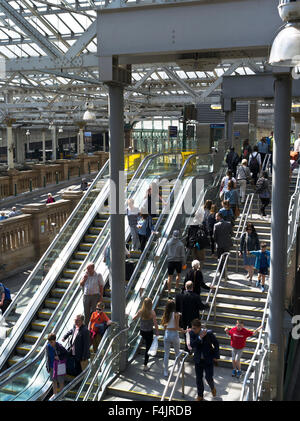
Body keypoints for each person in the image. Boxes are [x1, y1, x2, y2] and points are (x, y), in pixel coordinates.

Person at [188, 319, 220, 401]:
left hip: (208, 359)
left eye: (194, 328)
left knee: (208, 377)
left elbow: (216, 343)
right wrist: (199, 337)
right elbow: (192, 344)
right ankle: (200, 395)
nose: (193, 329)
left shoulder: (209, 333)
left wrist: (216, 356)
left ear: (199, 328)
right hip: (198, 360)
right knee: (199, 378)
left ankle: (212, 388)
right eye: (192, 328)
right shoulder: (192, 333)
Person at [133, 297, 159, 372]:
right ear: (151, 304)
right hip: (149, 332)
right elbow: (155, 324)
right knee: (148, 348)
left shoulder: (140, 311)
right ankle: (145, 365)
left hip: (142, 331)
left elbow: (134, 318)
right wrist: (157, 332)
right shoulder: (152, 312)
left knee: (145, 342)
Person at [161, 299, 184, 378]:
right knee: (177, 353)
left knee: (166, 354)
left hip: (167, 334)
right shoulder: (176, 314)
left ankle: (165, 371)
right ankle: (178, 368)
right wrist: (182, 330)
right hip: (174, 335)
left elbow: (164, 327)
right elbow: (177, 327)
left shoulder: (165, 314)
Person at [80, 262, 104, 326]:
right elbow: (81, 284)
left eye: (89, 269)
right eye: (87, 269)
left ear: (93, 268)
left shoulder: (98, 275)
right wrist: (84, 279)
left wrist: (101, 296)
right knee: (86, 312)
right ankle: (87, 327)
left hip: (95, 296)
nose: (87, 270)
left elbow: (101, 286)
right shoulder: (85, 275)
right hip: (86, 296)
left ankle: (94, 326)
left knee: (94, 312)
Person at [45, 332, 68, 398]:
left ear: (55, 340)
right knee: (54, 381)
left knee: (61, 381)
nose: (50, 344)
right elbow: (47, 357)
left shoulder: (59, 346)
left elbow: (66, 354)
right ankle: (55, 394)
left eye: (52, 342)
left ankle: (61, 396)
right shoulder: (48, 346)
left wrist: (59, 357)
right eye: (49, 342)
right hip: (52, 367)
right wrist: (47, 367)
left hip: (59, 366)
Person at [166, 230, 186, 295]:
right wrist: (184, 263)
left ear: (172, 234)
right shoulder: (181, 244)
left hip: (170, 261)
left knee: (170, 276)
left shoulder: (168, 242)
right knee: (178, 274)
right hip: (178, 261)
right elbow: (182, 255)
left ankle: (169, 291)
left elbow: (165, 251)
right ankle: (176, 287)